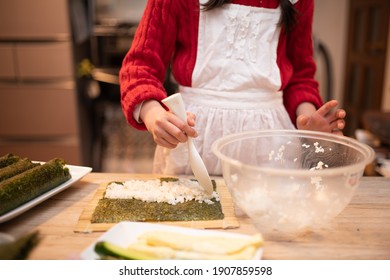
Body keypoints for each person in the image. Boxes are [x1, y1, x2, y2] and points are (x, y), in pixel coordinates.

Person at [119, 0, 346, 176]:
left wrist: (307, 119)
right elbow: (140, 66)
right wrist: (153, 114)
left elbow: (300, 75)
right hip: (195, 138)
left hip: (270, 143)